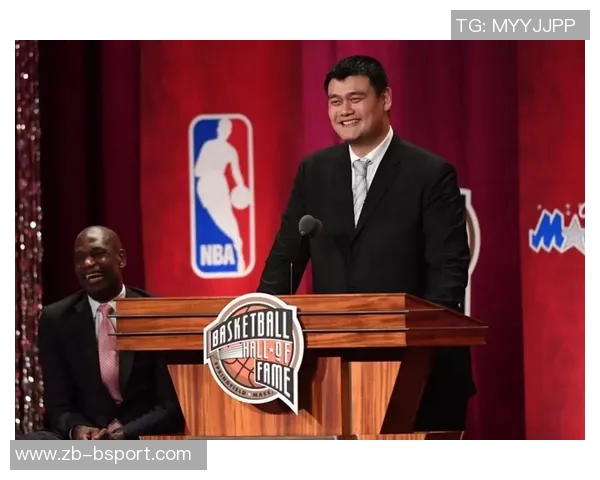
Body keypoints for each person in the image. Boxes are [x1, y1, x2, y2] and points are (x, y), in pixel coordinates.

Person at [257, 55, 475, 432]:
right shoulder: (314, 172)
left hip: (419, 371)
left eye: (355, 98)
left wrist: (422, 348)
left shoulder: (430, 173)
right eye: (335, 101)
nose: (345, 111)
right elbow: (284, 260)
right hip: (331, 369)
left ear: (385, 99)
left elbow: (449, 271)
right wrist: (260, 321)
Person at [17, 226, 185, 440]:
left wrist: (122, 434)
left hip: (142, 435)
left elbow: (169, 406)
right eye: (80, 258)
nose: (88, 263)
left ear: (121, 258)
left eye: (98, 254)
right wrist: (78, 429)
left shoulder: (156, 313)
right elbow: (58, 406)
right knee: (23, 445)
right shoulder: (56, 319)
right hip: (84, 440)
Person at [194, 118, 250, 273]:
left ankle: (238, 246)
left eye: (226, 129)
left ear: (229, 132)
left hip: (219, 185)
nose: (223, 131)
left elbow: (236, 173)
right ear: (218, 129)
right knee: (222, 219)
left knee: (228, 220)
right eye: (221, 128)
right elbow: (197, 171)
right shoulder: (209, 146)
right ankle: (237, 243)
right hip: (207, 187)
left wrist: (242, 188)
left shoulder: (230, 150)